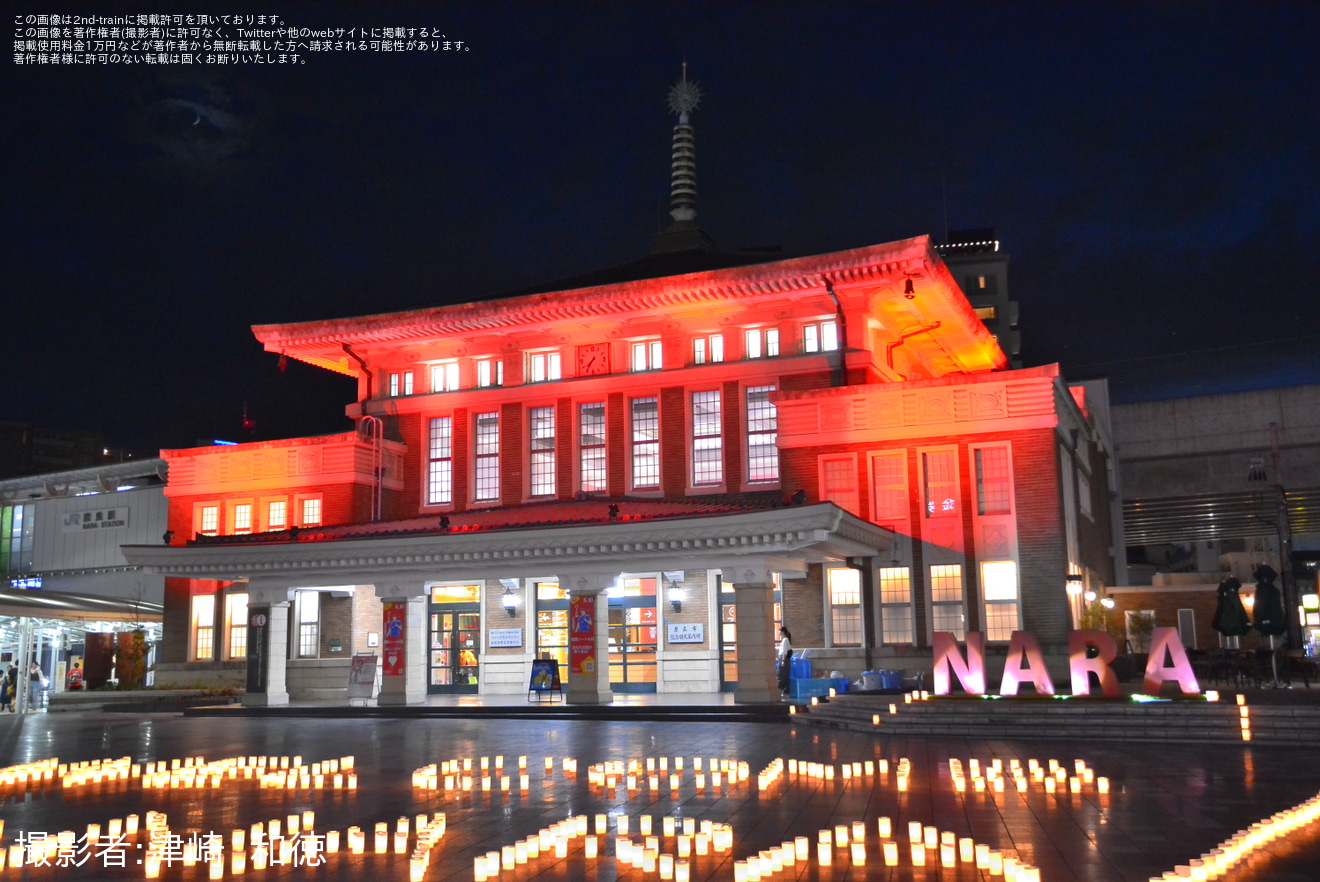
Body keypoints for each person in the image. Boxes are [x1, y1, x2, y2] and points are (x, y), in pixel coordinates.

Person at [777, 626, 794, 697]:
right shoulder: (786, 640)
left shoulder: (784, 640)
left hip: (784, 659)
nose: (779, 634)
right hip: (786, 659)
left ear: (782, 632)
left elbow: (784, 652)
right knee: (785, 675)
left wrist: (783, 661)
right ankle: (786, 691)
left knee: (781, 675)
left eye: (779, 632)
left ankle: (780, 690)